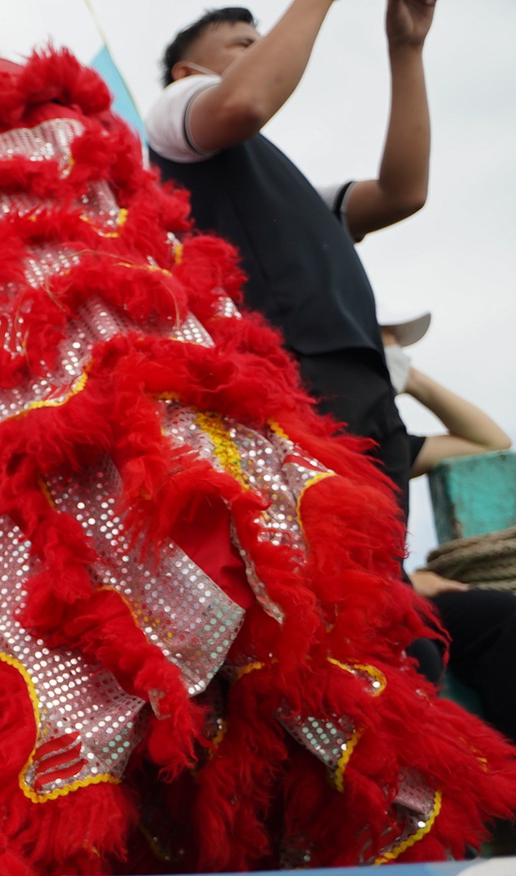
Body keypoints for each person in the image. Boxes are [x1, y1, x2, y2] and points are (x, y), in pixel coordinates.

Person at [146, 1, 436, 512]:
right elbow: (244, 104)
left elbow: (402, 193)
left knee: (383, 574)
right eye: (243, 43)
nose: (265, 49)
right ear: (186, 72)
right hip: (295, 379)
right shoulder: (175, 109)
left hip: (363, 383)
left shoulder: (284, 185)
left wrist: (406, 48)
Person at [379, 313, 516, 742]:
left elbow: (489, 441)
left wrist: (413, 380)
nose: (396, 355)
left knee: (505, 621)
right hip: (350, 605)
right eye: (384, 345)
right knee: (417, 654)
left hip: (402, 594)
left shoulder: (388, 445)